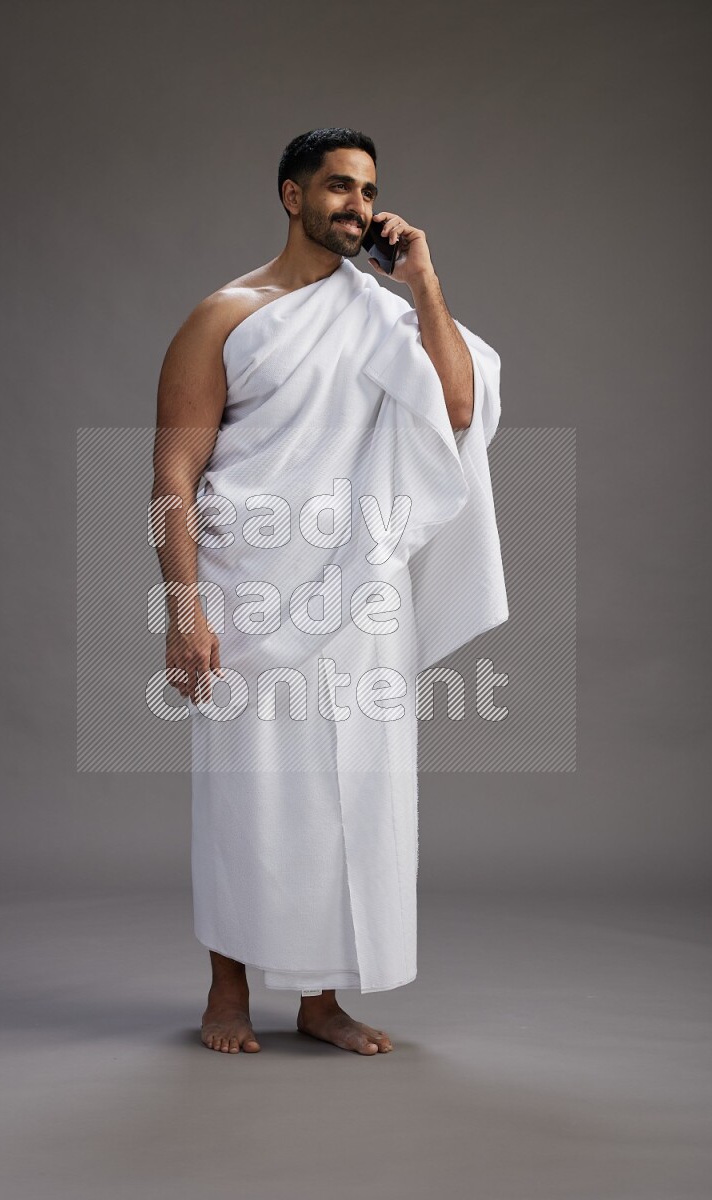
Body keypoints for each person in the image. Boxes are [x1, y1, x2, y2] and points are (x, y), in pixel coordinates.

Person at [151, 128, 508, 1055]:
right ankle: (225, 992)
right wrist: (181, 610)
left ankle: (321, 999)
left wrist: (421, 281)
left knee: (357, 790)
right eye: (339, 188)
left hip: (359, 597)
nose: (357, 205)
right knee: (247, 792)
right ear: (290, 195)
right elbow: (173, 474)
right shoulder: (224, 314)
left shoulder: (387, 314)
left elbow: (458, 408)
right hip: (248, 591)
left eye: (369, 191)